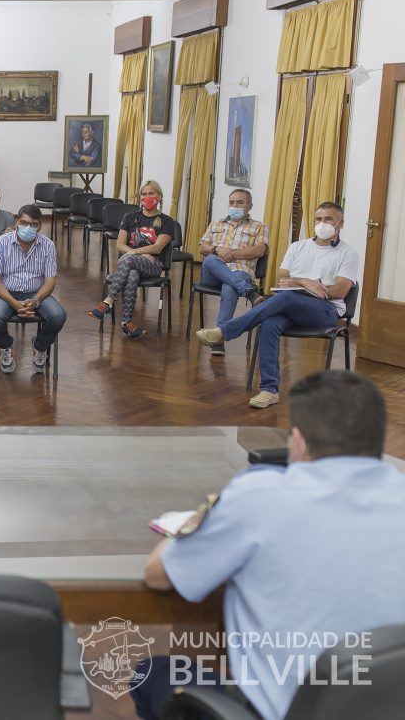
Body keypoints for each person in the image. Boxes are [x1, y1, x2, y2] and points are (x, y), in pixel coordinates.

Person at [138, 371, 405, 720]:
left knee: (151, 673)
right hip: (386, 705)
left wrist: (199, 520)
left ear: (297, 441)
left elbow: (158, 575)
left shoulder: (261, 495)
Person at [196, 201, 359, 409]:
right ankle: (269, 390)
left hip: (325, 309)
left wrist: (298, 282)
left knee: (286, 298)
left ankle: (226, 331)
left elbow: (340, 291)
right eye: (319, 219)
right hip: (289, 305)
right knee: (270, 323)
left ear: (340, 223)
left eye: (328, 219)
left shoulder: (348, 253)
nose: (322, 223)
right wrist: (305, 282)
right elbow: (282, 279)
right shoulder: (298, 247)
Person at [87, 180, 175, 340]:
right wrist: (137, 254)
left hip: (153, 265)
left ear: (160, 197)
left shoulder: (167, 221)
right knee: (133, 273)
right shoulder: (130, 217)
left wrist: (132, 253)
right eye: (144, 194)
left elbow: (157, 248)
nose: (147, 197)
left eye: (151, 194)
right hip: (131, 264)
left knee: (128, 260)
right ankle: (126, 323)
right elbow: (120, 245)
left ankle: (108, 301)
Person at [0, 205, 66, 375]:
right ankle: (6, 347)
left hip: (36, 294)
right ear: (16, 222)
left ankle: (40, 346)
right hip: (5, 294)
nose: (28, 228)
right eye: (24, 223)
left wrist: (35, 300)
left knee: (58, 316)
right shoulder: (1, 243)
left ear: (40, 226)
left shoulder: (48, 246)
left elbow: (50, 282)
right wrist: (14, 303)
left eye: (33, 224)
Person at [196, 189, 268, 355]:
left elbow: (260, 250)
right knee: (211, 258)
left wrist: (231, 254)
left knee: (230, 287)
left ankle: (219, 338)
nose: (235, 206)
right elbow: (203, 247)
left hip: (241, 271)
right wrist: (217, 249)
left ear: (249, 206)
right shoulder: (216, 223)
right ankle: (248, 292)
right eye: (232, 202)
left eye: (240, 203)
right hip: (212, 273)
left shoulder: (260, 226)